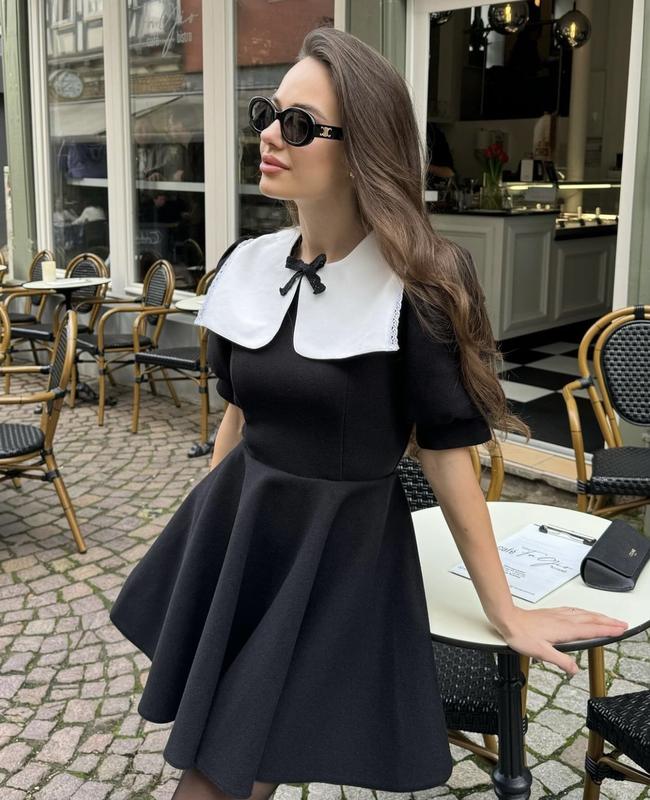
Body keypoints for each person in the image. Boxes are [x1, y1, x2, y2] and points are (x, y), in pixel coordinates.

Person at [108, 26, 629, 800]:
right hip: (247, 537)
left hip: (339, 558)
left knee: (221, 770)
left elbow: (447, 454)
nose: (270, 136)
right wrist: (211, 555)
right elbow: (237, 415)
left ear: (361, 150)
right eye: (268, 115)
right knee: (231, 757)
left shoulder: (418, 284)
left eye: (300, 125)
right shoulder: (248, 264)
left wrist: (506, 611)